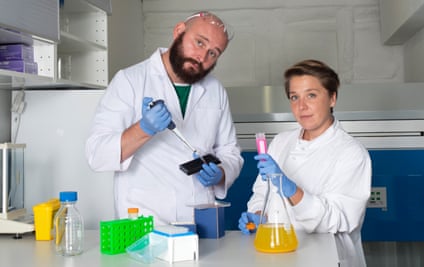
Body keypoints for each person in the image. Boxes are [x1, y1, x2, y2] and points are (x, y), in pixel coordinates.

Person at [85, 11, 243, 226]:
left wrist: (221, 174)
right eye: (199, 42)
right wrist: (143, 129)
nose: (202, 57)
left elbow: (229, 151)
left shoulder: (215, 90)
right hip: (144, 218)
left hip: (199, 217)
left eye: (213, 53)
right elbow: (97, 154)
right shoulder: (130, 80)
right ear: (178, 31)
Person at [238, 59, 371, 267]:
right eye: (294, 97)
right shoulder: (281, 142)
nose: (302, 106)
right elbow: (261, 193)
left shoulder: (351, 153)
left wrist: (292, 190)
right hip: (276, 254)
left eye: (311, 95)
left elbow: (337, 220)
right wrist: (257, 216)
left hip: (326, 260)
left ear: (332, 98)